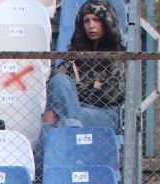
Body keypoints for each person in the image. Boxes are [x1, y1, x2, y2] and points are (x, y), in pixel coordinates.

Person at [41, 0, 125, 137]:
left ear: (107, 22)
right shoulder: (73, 56)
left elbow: (110, 94)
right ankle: (72, 129)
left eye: (96, 20)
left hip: (104, 114)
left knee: (54, 117)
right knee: (60, 80)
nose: (91, 26)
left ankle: (69, 134)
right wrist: (94, 85)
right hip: (74, 109)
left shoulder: (119, 56)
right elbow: (57, 86)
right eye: (86, 21)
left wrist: (73, 90)